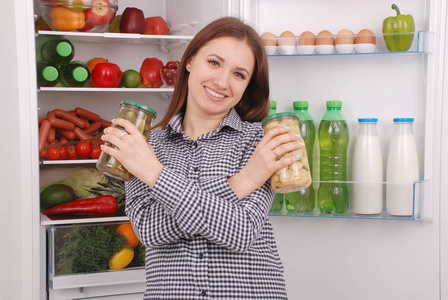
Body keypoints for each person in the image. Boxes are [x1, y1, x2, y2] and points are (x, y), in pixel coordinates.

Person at [101, 16, 302, 299]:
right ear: (191, 60)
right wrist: (242, 182)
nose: (222, 81)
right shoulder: (146, 144)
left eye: (239, 74)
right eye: (214, 62)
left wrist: (154, 174)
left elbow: (240, 232)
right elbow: (149, 231)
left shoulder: (259, 142)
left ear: (247, 85)